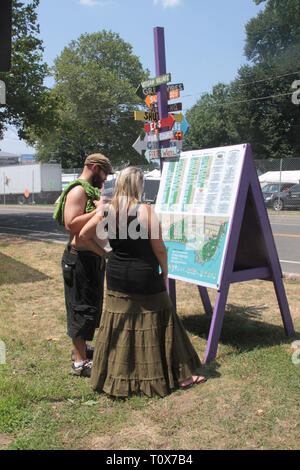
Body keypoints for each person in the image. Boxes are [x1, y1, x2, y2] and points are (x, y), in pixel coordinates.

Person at [77, 167, 206, 397]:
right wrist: (165, 272)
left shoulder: (106, 210)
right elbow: (159, 249)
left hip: (116, 276)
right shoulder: (145, 210)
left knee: (119, 325)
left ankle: (112, 377)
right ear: (137, 185)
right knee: (164, 321)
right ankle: (184, 377)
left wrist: (103, 254)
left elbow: (83, 236)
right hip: (144, 275)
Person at [53, 153, 114, 377]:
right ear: (95, 167)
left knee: (88, 304)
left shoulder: (90, 191)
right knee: (80, 306)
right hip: (79, 258)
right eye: (104, 173)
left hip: (89, 257)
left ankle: (81, 350)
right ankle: (80, 363)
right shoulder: (78, 190)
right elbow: (71, 224)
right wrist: (98, 211)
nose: (105, 179)